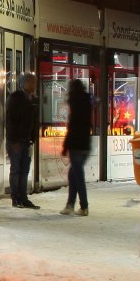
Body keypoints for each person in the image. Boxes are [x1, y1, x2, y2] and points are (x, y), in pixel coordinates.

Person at [6, 73, 39, 209]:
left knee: (24, 170)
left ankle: (23, 198)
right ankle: (16, 198)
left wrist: (32, 139)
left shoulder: (33, 99)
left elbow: (34, 121)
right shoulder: (15, 98)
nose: (34, 85)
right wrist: (14, 140)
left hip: (26, 141)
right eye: (31, 82)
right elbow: (10, 121)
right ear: (24, 84)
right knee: (16, 170)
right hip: (16, 141)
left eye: (34, 82)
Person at [61, 79, 92, 216]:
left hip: (76, 144)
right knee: (73, 174)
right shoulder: (87, 102)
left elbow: (72, 126)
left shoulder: (75, 103)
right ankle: (70, 205)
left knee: (77, 175)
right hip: (85, 143)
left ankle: (83, 206)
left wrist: (65, 145)